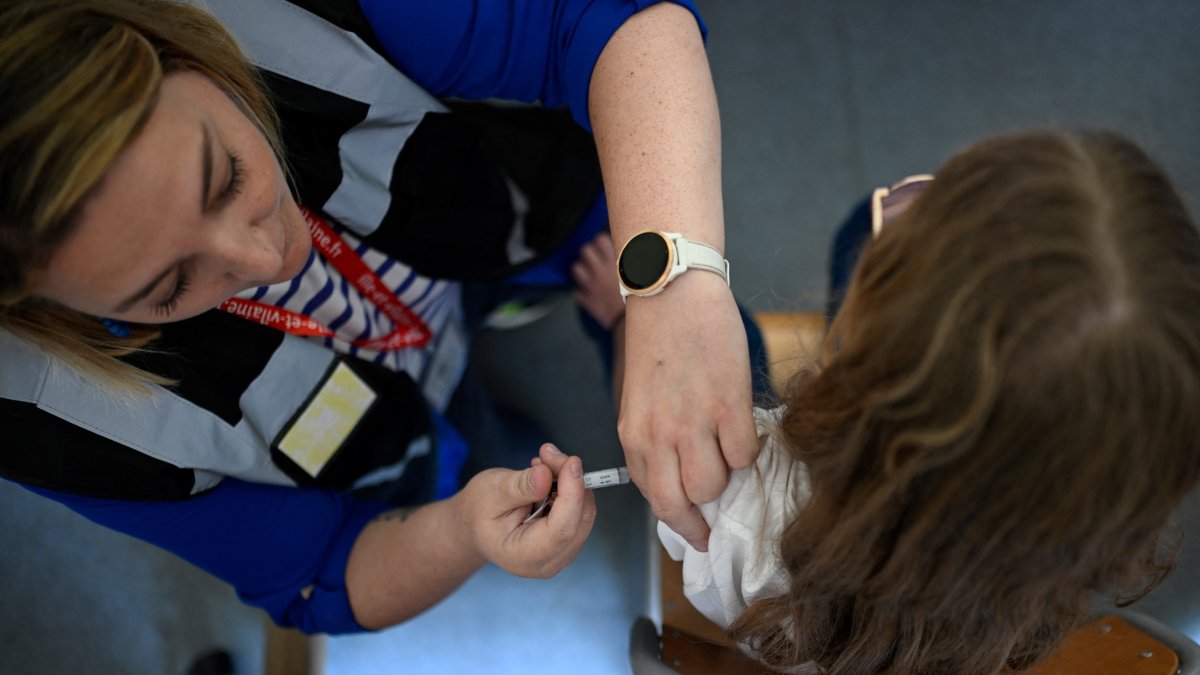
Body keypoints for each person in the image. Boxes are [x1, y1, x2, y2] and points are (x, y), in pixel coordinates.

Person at [0, 0, 755, 633]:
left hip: (502, 215)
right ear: (52, 311)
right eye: (167, 288)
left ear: (179, 50)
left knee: (661, 306)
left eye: (225, 175)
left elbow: (605, 20)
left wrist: (669, 295)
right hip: (388, 420)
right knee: (503, 460)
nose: (268, 260)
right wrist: (462, 532)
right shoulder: (48, 418)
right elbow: (317, 572)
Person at [573, 130, 1200, 674]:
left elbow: (667, 435)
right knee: (858, 224)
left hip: (746, 505)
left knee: (720, 322)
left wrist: (630, 324)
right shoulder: (1062, 535)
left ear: (877, 374)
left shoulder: (741, 505)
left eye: (926, 212)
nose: (901, 196)